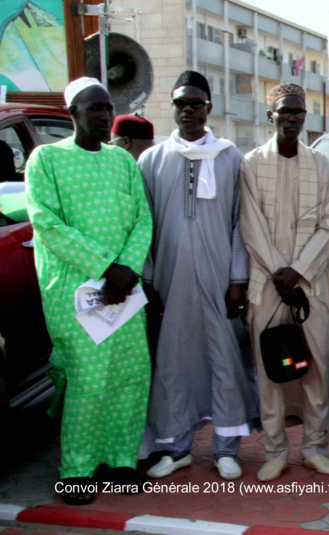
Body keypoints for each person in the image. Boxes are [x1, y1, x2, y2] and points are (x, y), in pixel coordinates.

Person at [25, 77, 152, 505]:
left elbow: (142, 221)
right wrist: (105, 268)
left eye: (106, 107)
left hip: (124, 291)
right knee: (88, 379)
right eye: (92, 108)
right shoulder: (46, 159)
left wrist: (128, 269)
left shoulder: (122, 162)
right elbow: (46, 223)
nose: (102, 115)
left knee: (131, 375)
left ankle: (119, 462)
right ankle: (77, 471)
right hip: (75, 292)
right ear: (72, 114)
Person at [138, 71, 256, 481]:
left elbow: (242, 223)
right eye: (180, 103)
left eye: (195, 103)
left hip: (219, 280)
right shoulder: (151, 160)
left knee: (225, 359)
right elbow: (143, 227)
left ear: (209, 107)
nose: (187, 110)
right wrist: (148, 281)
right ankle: (176, 446)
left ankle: (226, 448)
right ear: (172, 109)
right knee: (173, 362)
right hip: (170, 282)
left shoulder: (231, 158)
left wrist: (238, 279)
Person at [240, 83, 329, 482]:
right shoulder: (250, 163)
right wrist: (280, 275)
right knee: (271, 371)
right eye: (285, 112)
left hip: (313, 286)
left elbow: (328, 223)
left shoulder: (320, 165)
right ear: (271, 116)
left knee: (318, 364)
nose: (292, 118)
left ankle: (315, 448)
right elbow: (251, 225)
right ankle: (274, 451)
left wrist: (298, 271)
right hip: (267, 287)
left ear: (305, 118)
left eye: (298, 113)